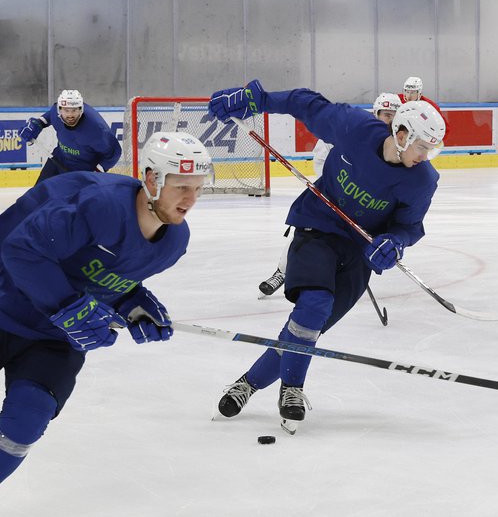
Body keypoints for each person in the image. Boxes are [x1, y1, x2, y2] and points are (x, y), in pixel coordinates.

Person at [209, 80, 445, 433]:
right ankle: (293, 388)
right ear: (401, 132)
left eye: (431, 150)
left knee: (305, 329)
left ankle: (247, 384)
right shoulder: (356, 128)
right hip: (317, 227)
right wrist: (256, 98)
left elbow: (409, 226)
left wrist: (393, 242)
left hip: (358, 252)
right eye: (422, 146)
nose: (424, 156)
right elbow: (306, 104)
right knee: (314, 306)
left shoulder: (422, 180)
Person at [0, 132, 213, 483]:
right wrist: (69, 305)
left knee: (27, 420)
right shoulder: (101, 205)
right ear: (151, 179)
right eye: (181, 187)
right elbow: (21, 250)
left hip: (52, 338)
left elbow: (108, 277)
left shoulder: (174, 242)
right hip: (6, 302)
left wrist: (131, 305)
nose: (191, 199)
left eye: (198, 188)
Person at [258, 92, 404, 296]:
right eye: (386, 114)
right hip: (332, 195)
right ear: (376, 112)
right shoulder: (356, 129)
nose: (389, 120)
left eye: (393, 115)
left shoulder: (398, 146)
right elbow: (321, 157)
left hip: (361, 205)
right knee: (308, 232)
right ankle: (282, 271)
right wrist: (333, 187)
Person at [18, 89, 122, 184]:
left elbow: (114, 153)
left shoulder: (97, 129)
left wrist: (96, 172)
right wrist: (37, 124)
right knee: (40, 193)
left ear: (81, 109)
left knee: (74, 203)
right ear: (59, 110)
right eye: (66, 110)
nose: (70, 115)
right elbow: (48, 117)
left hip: (84, 169)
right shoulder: (55, 112)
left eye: (74, 110)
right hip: (59, 159)